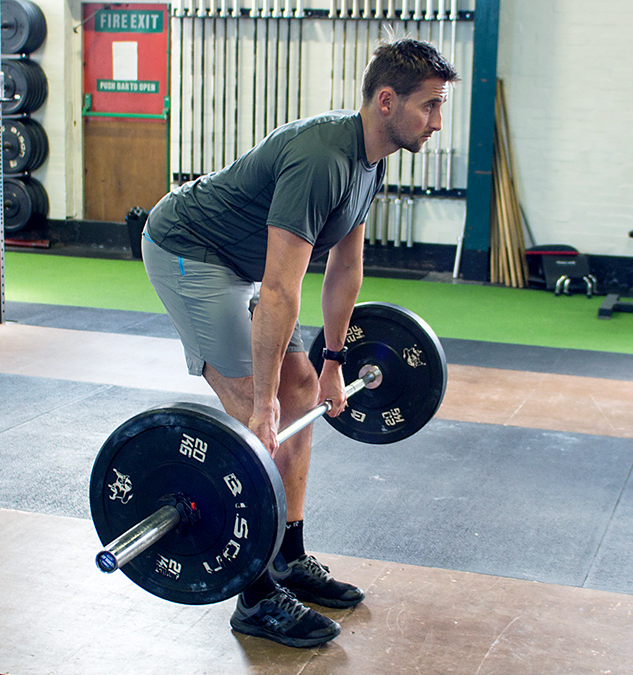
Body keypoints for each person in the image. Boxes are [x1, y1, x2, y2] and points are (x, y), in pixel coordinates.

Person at [140, 38, 458, 648]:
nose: (437, 122)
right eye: (430, 105)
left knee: (304, 390)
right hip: (189, 251)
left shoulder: (370, 160)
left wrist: (334, 361)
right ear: (386, 101)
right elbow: (281, 290)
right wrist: (261, 402)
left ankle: (287, 555)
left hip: (240, 263)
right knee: (253, 418)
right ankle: (255, 596)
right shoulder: (322, 158)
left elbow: (345, 269)